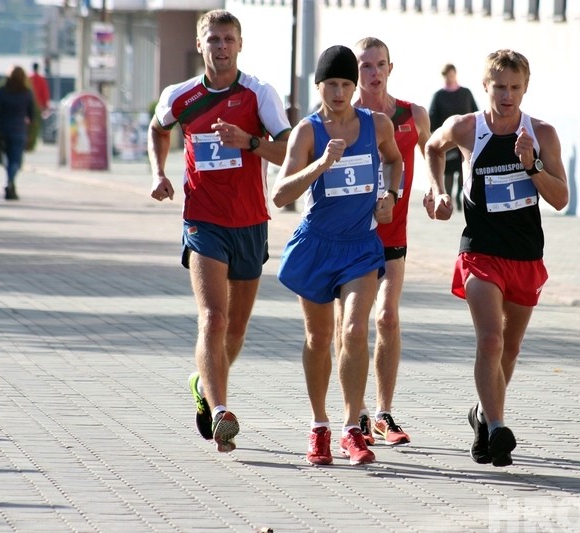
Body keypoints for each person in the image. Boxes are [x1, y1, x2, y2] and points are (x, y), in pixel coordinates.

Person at [147, 9, 291, 453]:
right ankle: (221, 409)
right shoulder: (181, 95)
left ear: (240, 45)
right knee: (213, 316)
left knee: (236, 331)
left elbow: (287, 148)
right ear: (199, 45)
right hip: (203, 221)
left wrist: (248, 142)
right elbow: (157, 129)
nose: (221, 46)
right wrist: (158, 173)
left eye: (228, 39)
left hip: (249, 223)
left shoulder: (259, 94)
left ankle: (202, 383)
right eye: (213, 39)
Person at [423, 49, 569, 467]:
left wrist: (533, 165)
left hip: (524, 254)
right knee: (490, 338)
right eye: (499, 87)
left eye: (515, 88)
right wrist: (438, 189)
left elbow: (560, 199)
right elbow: (434, 147)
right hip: (480, 250)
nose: (507, 96)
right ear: (485, 86)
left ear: (525, 88)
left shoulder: (541, 133)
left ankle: (482, 416)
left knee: (510, 349)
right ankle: (500, 426)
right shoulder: (466, 127)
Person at [272, 45, 403, 466]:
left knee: (354, 331)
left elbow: (395, 161)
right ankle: (319, 426)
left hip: (361, 247)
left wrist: (390, 195)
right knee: (318, 338)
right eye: (332, 84)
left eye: (347, 83)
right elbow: (279, 194)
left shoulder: (377, 124)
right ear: (320, 86)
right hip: (317, 245)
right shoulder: (308, 132)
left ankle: (352, 428)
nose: (340, 91)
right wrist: (321, 165)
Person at [340, 36, 431, 447]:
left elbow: (434, 152)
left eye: (380, 65)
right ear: (354, 72)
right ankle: (354, 413)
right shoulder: (345, 118)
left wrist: (436, 188)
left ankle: (383, 413)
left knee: (387, 318)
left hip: (393, 232)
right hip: (351, 237)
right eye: (365, 66)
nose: (373, 73)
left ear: (390, 69)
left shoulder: (414, 114)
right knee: (351, 327)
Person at [428, 63, 478, 211]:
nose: (449, 78)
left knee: (464, 170)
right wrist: (436, 136)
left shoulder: (466, 93)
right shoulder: (439, 95)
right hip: (447, 139)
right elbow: (432, 116)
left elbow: (475, 113)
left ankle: (460, 195)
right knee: (449, 172)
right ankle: (447, 197)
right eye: (446, 76)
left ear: (455, 74)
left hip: (465, 139)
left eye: (450, 75)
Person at [0, 66, 34, 201]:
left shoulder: (2, 92)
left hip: (4, 130)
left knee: (7, 158)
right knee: (16, 160)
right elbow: (31, 114)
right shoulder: (26, 93)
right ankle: (10, 182)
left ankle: (9, 182)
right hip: (19, 130)